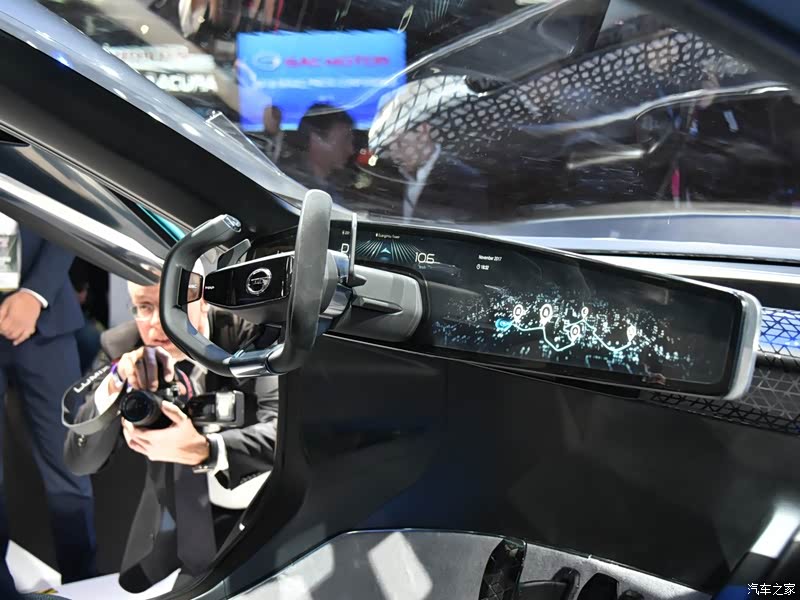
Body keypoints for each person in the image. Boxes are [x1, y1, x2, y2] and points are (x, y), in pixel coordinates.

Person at [63, 273, 279, 593]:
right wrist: (114, 383)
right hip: (173, 531)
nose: (156, 323)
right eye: (143, 307)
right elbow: (79, 460)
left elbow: (282, 432)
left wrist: (206, 450)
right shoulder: (123, 348)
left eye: (170, 303)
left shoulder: (255, 335)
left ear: (204, 300)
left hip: (257, 517)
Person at [0, 221, 97, 591]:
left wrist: (35, 294)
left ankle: (83, 585)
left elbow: (66, 215)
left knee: (68, 462)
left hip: (47, 319)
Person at [292, 103, 355, 201]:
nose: (350, 150)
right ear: (316, 140)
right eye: (345, 140)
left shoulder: (333, 187)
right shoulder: (295, 188)